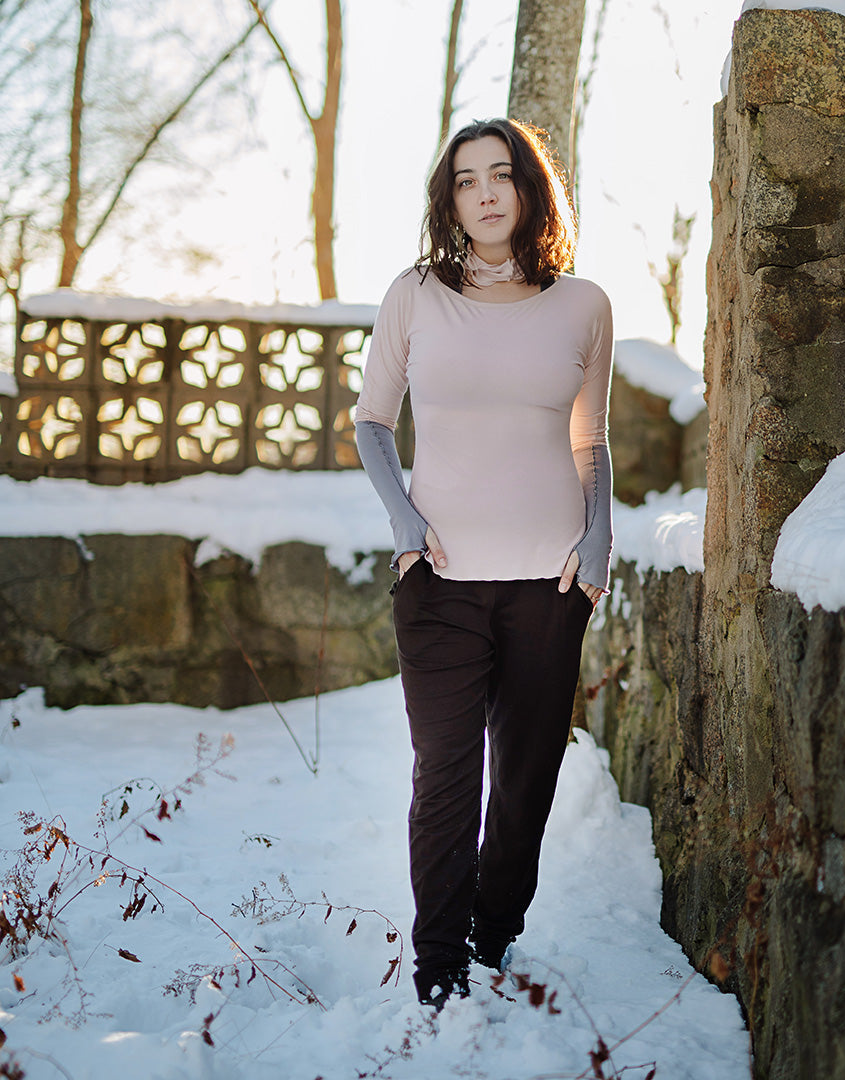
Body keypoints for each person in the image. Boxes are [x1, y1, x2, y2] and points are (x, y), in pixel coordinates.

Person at [353, 117, 613, 1012]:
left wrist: (599, 537)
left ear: (530, 190)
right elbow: (372, 423)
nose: (486, 193)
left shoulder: (583, 305)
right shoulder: (416, 294)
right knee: (445, 775)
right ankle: (438, 963)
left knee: (528, 776)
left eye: (502, 175)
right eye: (467, 180)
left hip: (551, 580)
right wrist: (405, 522)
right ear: (450, 199)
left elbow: (592, 438)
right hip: (439, 582)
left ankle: (492, 929)